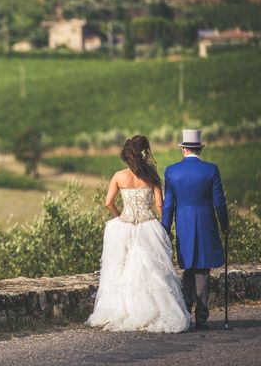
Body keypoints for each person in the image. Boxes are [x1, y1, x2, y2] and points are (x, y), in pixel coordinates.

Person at [87, 135, 191, 333]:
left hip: (125, 226)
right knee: (153, 272)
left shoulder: (119, 176)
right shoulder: (151, 175)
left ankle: (126, 311)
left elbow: (108, 203)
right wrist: (166, 229)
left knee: (122, 271)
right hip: (148, 226)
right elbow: (160, 205)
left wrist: (120, 217)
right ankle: (154, 311)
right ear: (144, 153)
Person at [162, 129, 229, 330]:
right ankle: (201, 318)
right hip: (206, 221)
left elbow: (168, 205)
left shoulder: (171, 171)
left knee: (188, 266)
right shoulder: (211, 169)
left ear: (183, 149)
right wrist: (225, 224)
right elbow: (219, 202)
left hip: (183, 222)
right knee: (203, 269)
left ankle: (184, 313)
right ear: (199, 149)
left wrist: (165, 228)